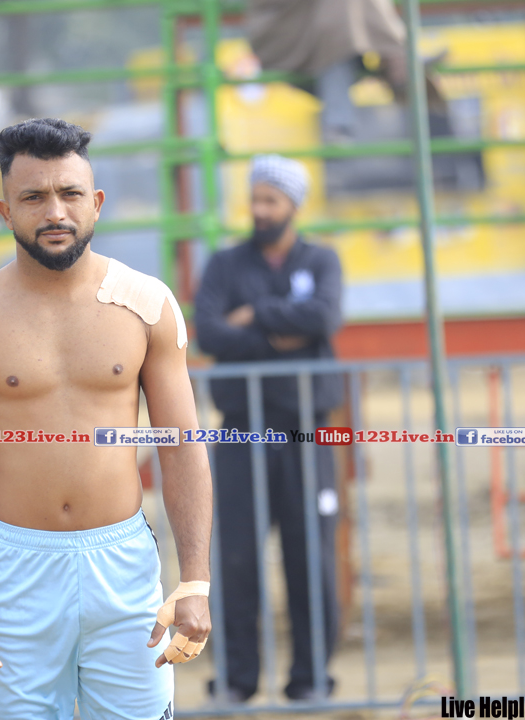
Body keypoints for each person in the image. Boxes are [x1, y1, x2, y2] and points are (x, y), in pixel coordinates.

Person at [0, 118, 212, 719]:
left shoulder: (146, 304)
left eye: (70, 193)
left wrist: (195, 581)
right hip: (16, 568)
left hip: (123, 562)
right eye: (34, 197)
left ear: (96, 203)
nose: (55, 211)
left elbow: (182, 446)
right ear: (6, 211)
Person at [194, 155, 343, 703]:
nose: (259, 210)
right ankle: (237, 680)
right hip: (242, 432)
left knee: (312, 557)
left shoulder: (321, 260)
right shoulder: (225, 264)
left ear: (292, 206)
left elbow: (324, 318)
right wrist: (283, 330)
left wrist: (254, 315)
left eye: (270, 200)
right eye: (255, 199)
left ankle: (311, 679)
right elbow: (208, 332)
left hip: (306, 431)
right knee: (235, 558)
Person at [246, 0, 446, 143]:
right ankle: (398, 56)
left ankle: (396, 56)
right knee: (337, 18)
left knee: (337, 28)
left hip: (333, 39)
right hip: (283, 40)